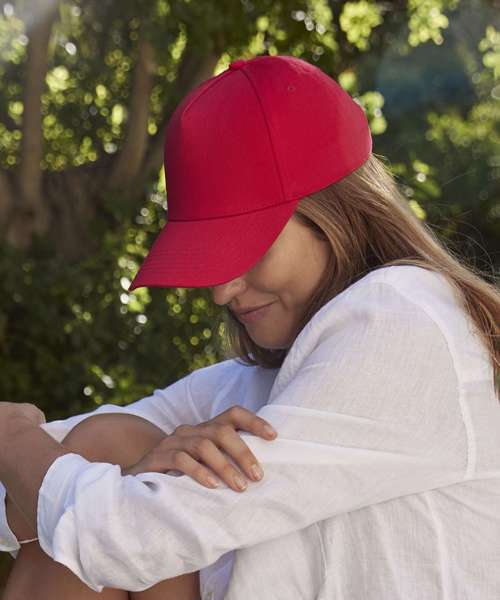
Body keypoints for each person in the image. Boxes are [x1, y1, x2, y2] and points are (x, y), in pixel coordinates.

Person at [0, 54, 499, 600]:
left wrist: (12, 436)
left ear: (333, 213)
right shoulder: (259, 378)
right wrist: (68, 464)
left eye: (245, 248)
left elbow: (122, 536)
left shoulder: (403, 322)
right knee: (108, 444)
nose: (221, 290)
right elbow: (47, 476)